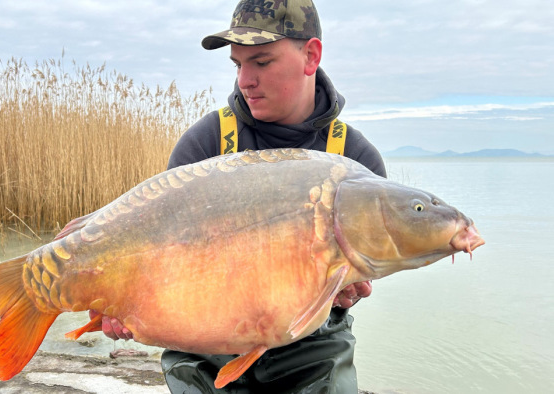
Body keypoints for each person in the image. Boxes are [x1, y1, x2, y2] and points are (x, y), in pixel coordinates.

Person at [96, 0, 386, 392]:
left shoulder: (354, 161)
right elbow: (158, 257)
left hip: (310, 348)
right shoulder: (207, 142)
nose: (244, 80)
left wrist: (350, 290)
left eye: (261, 62)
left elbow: (361, 276)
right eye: (238, 64)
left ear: (310, 55)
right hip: (204, 343)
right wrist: (129, 305)